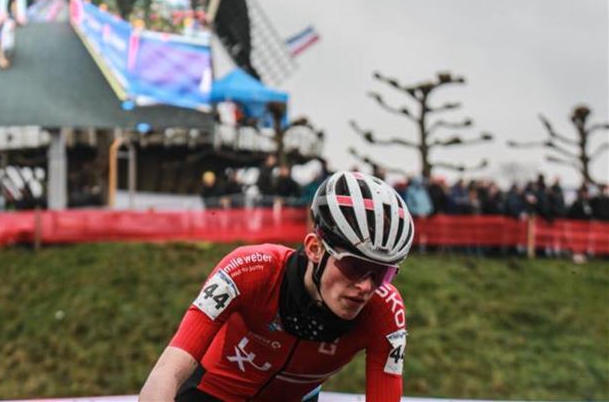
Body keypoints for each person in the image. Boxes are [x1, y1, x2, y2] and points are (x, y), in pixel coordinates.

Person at [140, 170, 415, 402]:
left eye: (383, 273)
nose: (366, 286)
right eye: (353, 266)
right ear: (315, 248)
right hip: (211, 395)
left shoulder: (385, 309)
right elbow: (168, 371)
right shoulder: (250, 269)